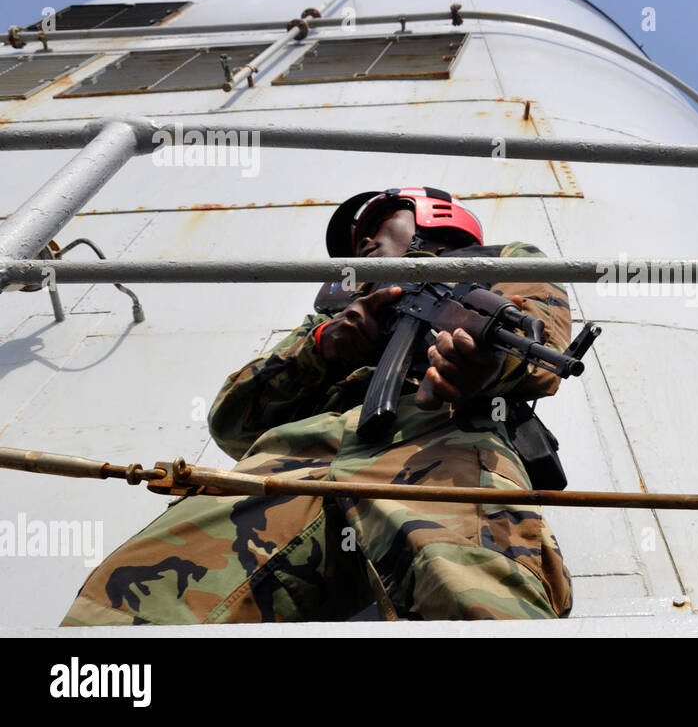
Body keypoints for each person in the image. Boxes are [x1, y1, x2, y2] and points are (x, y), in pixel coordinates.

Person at [63, 187, 573, 624]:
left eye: (378, 223)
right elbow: (232, 421)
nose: (364, 242)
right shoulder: (331, 320)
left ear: (431, 220)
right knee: (140, 595)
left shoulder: (494, 264)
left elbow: (541, 342)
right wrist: (325, 346)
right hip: (285, 464)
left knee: (471, 589)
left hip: (440, 442)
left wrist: (483, 367)